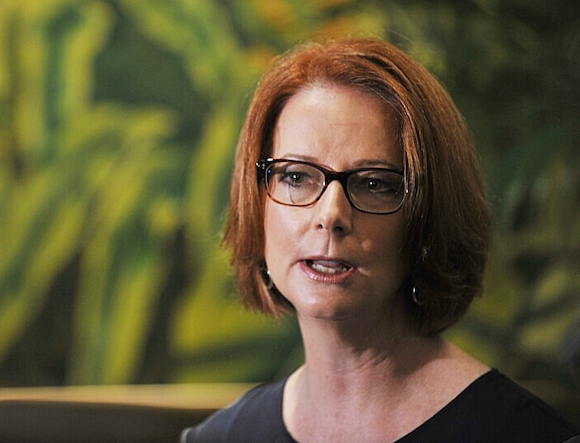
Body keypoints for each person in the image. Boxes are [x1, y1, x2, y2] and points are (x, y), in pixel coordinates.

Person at [181, 38, 579, 442]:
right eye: (296, 177)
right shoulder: (218, 438)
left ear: (427, 217)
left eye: (374, 183)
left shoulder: (524, 434)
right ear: (257, 200)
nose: (330, 215)